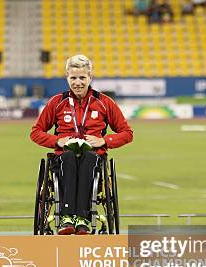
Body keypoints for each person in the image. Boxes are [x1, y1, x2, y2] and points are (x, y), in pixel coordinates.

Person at [30, 54, 133, 235]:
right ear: (67, 77)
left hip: (93, 155)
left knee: (90, 158)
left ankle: (83, 218)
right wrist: (57, 141)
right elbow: (36, 132)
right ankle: (67, 217)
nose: (78, 82)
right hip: (64, 155)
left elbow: (127, 133)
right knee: (68, 157)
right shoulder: (56, 102)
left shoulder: (104, 102)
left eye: (82, 78)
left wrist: (104, 141)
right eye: (73, 78)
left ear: (90, 78)